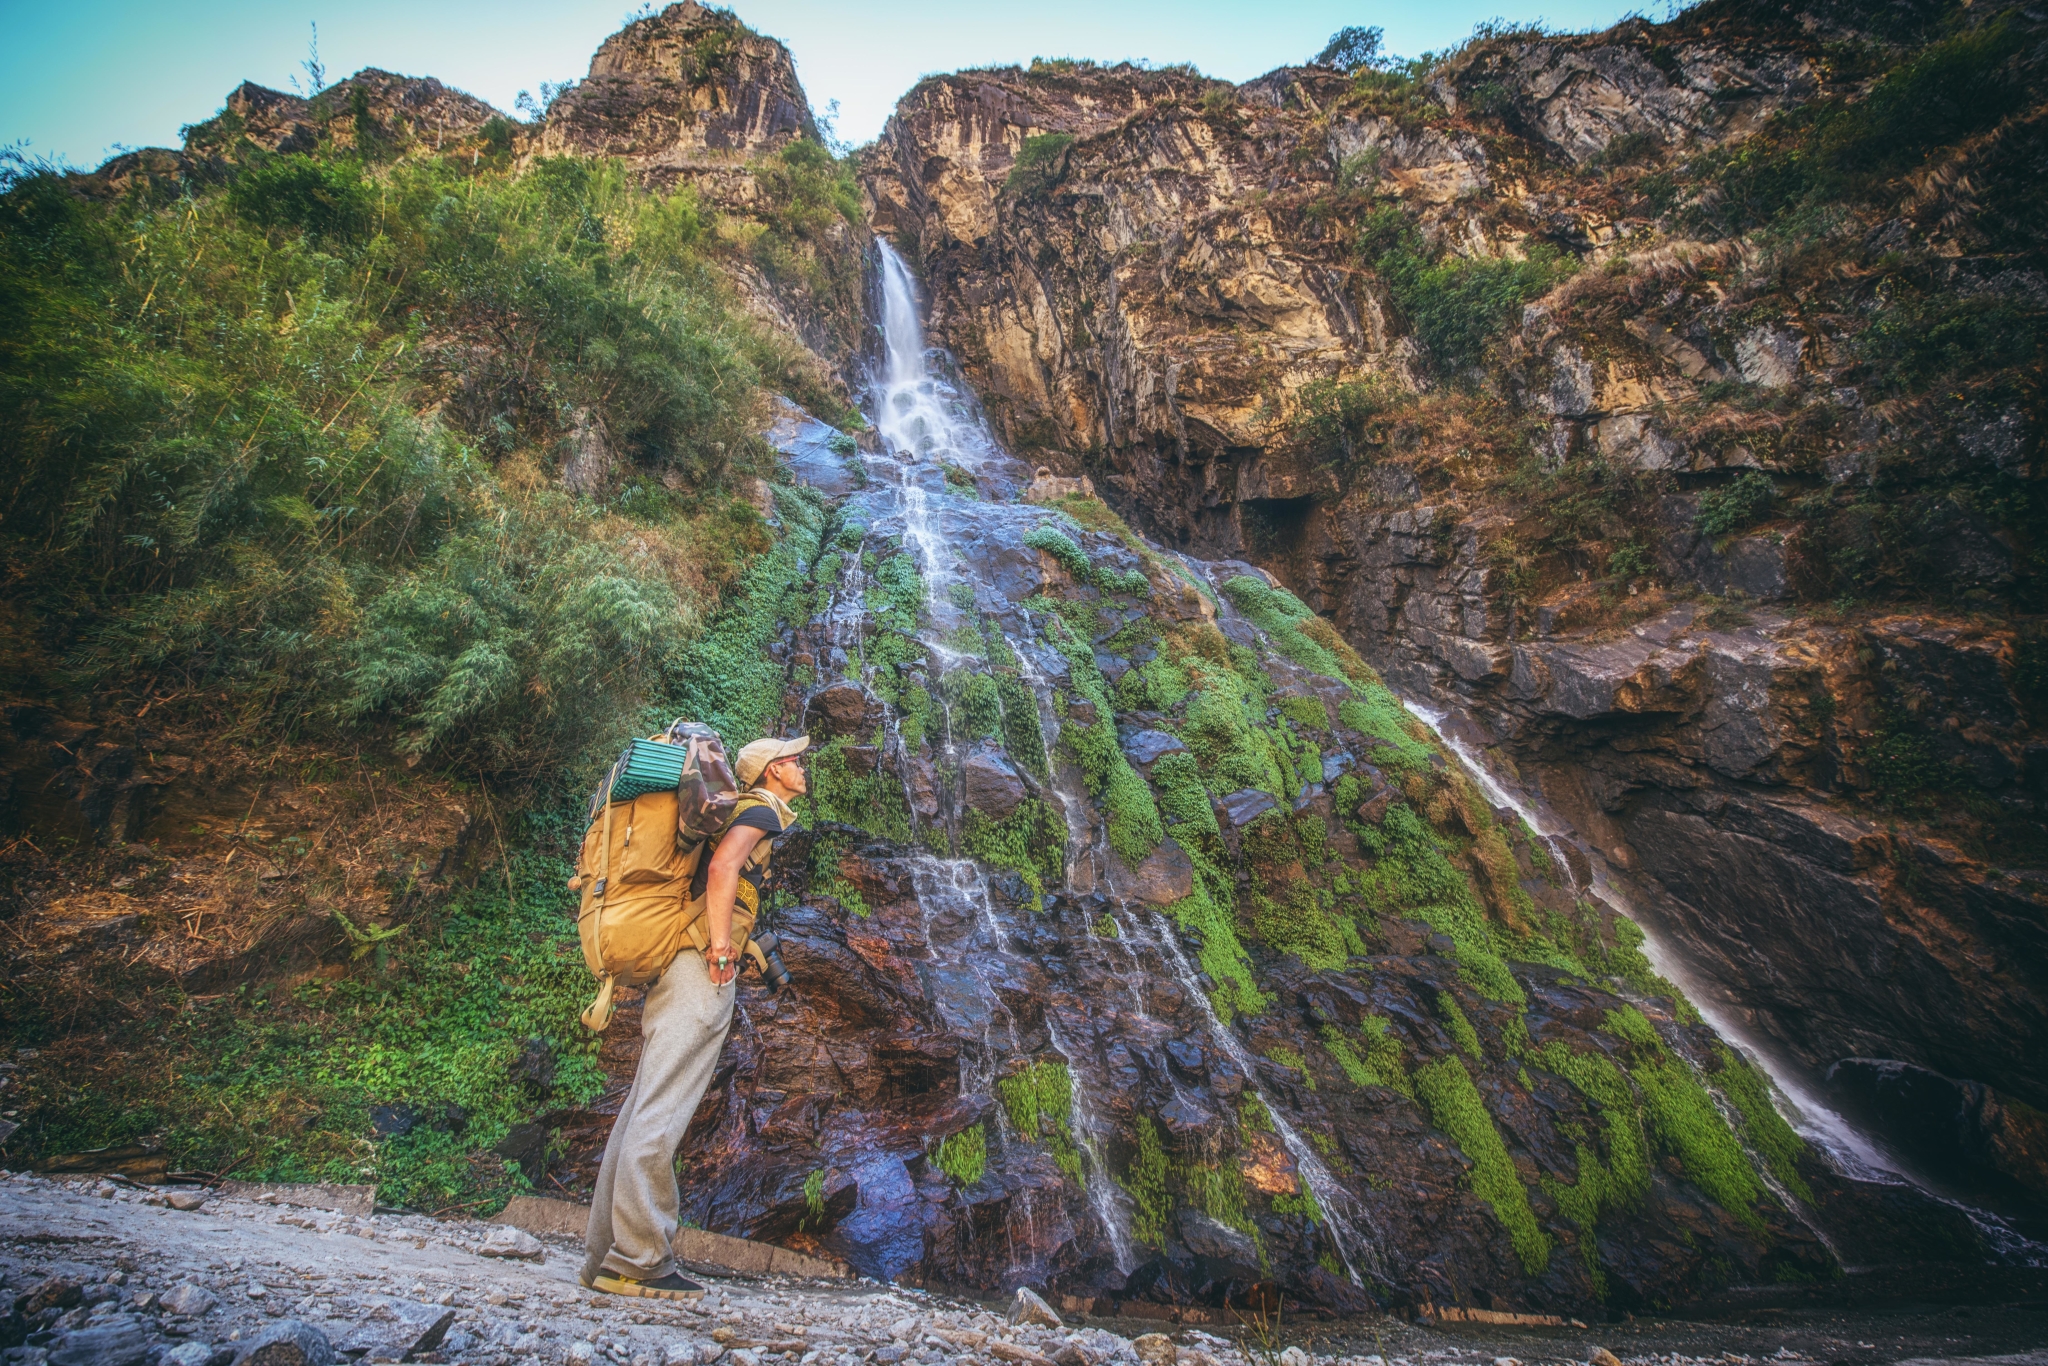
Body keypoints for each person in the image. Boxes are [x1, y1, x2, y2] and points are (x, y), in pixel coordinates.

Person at [581, 733, 811, 1300]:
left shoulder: (729, 808)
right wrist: (721, 949)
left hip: (673, 956)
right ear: (774, 770)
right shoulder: (760, 808)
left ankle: (603, 1257)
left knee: (643, 1102)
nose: (804, 768)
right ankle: (638, 1259)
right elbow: (723, 870)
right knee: (662, 1108)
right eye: (796, 760)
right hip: (696, 967)